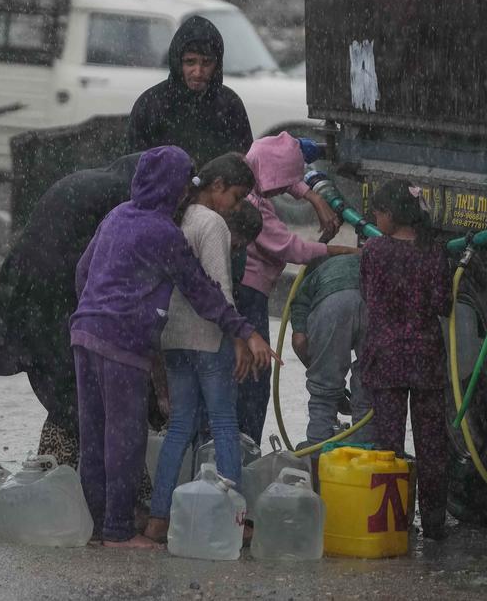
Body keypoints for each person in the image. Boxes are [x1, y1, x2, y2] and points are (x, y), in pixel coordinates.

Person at [70, 146, 274, 548]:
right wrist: (245, 330)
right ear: (173, 186)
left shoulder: (118, 214)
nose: (186, 192)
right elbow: (203, 292)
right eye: (184, 183)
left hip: (84, 333)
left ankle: (97, 527)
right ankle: (118, 532)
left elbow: (82, 269)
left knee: (93, 436)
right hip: (122, 343)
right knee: (124, 439)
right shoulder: (163, 231)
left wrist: (93, 309)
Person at [0, 153, 141, 468]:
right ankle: (76, 481)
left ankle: (57, 474)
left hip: (34, 286)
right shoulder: (123, 198)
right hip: (55, 292)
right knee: (76, 389)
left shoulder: (98, 181)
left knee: (66, 385)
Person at [143, 153, 259, 544]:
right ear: (218, 186)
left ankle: (159, 518)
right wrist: (241, 338)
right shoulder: (212, 224)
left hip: (172, 338)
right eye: (238, 197)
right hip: (210, 339)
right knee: (225, 423)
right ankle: (234, 521)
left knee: (179, 427)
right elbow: (220, 288)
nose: (237, 207)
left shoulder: (178, 217)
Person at [237, 132, 356, 443]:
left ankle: (237, 446)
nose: (283, 192)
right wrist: (341, 250)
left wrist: (312, 196)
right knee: (254, 374)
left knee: (251, 373)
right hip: (249, 295)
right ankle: (242, 445)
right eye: (282, 184)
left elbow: (282, 169)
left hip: (250, 291)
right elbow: (292, 249)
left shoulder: (250, 169)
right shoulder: (253, 204)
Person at [360, 180, 452, 540]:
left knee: (389, 449)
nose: (376, 219)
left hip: (386, 359)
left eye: (379, 213)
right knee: (432, 446)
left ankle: (392, 523)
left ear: (392, 215)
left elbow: (367, 296)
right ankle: (434, 524)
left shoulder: (373, 252)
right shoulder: (434, 253)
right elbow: (443, 304)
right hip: (426, 358)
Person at [126, 16, 252, 168]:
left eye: (206, 63)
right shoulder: (151, 104)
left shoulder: (230, 104)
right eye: (190, 62)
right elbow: (136, 172)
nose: (198, 72)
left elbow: (242, 168)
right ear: (178, 62)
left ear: (217, 65)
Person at [289, 253, 371, 448]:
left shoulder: (310, 280)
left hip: (332, 305)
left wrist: (328, 386)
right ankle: (365, 452)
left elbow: (300, 342)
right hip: (371, 303)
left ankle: (318, 453)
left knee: (322, 394)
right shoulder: (362, 262)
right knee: (369, 389)